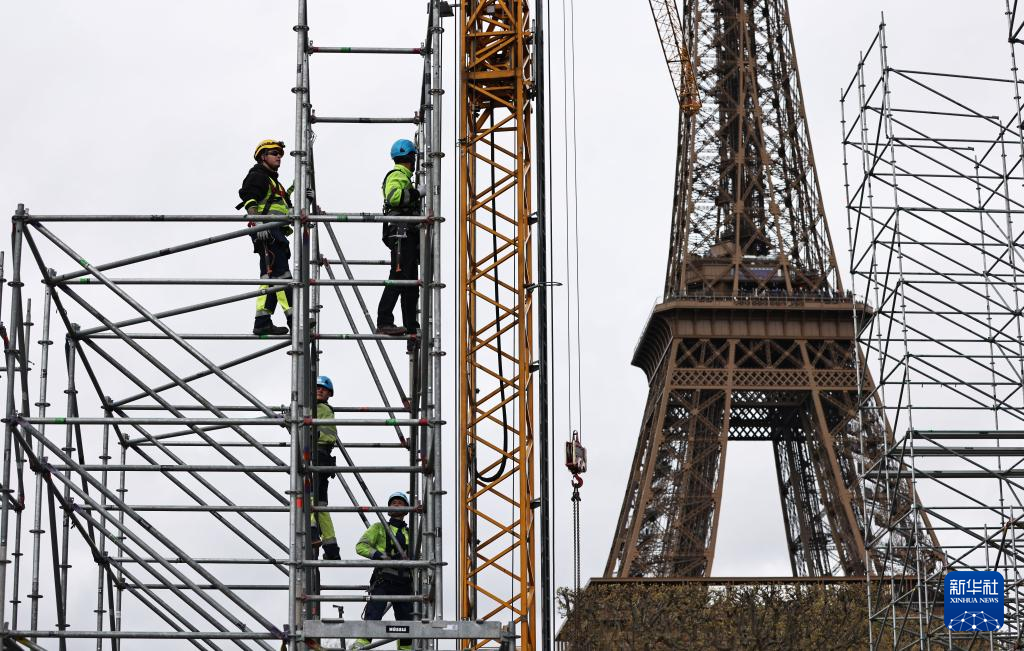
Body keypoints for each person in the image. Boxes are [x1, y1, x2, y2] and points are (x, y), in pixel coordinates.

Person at [237, 139, 294, 336]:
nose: (279, 156)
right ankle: (294, 318)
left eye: (280, 153)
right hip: (267, 232)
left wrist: (305, 198)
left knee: (268, 278)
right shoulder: (258, 175)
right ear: (263, 157)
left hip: (274, 232)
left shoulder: (274, 182)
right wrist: (258, 223)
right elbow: (249, 198)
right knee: (282, 276)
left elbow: (288, 208)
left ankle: (262, 321)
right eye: (274, 153)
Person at [349, 491, 414, 651]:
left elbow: (420, 555)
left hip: (404, 582)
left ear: (407, 509)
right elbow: (361, 547)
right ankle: (360, 645)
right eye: (394, 502)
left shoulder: (410, 533)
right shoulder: (379, 528)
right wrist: (381, 556)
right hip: (383, 579)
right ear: (388, 508)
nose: (397, 504)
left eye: (401, 502)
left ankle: (405, 649)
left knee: (406, 621)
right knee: (374, 613)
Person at [375, 139, 422, 337]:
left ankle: (411, 326)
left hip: (407, 232)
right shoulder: (397, 175)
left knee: (410, 282)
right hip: (401, 232)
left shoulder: (403, 176)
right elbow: (394, 197)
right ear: (411, 158)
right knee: (399, 277)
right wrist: (415, 193)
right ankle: (384, 321)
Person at [312, 375, 340, 561]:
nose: (319, 390)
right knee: (321, 505)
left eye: (323, 388)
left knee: (308, 497)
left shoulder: (317, 409)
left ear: (329, 393)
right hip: (323, 456)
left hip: (316, 455)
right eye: (317, 388)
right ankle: (331, 548)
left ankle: (312, 531)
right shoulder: (324, 410)